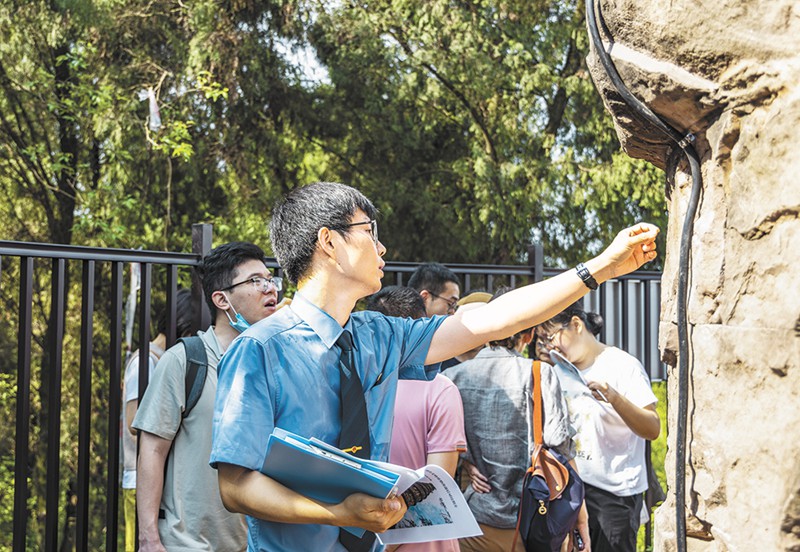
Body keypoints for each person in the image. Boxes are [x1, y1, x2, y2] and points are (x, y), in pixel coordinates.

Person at [210, 181, 659, 552]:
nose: (382, 246)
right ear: (329, 242)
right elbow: (235, 487)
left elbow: (490, 319)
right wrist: (338, 513)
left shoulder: (378, 335)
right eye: (369, 231)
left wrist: (600, 268)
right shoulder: (260, 350)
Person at [133, 242, 280, 552]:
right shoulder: (185, 360)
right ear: (221, 299)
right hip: (190, 545)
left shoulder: (276, 363)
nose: (270, 289)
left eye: (270, 279)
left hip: (259, 543)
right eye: (256, 281)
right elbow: (152, 449)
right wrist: (149, 538)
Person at [444, 287, 581, 552]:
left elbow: (442, 443)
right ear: (529, 334)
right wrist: (579, 514)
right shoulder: (539, 373)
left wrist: (467, 462)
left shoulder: (453, 376)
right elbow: (559, 444)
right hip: (529, 516)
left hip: (472, 516)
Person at [536, 301, 661, 552]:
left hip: (613, 495)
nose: (550, 346)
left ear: (576, 324)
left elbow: (652, 427)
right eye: (543, 341)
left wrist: (614, 397)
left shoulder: (622, 365)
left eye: (551, 337)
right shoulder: (558, 370)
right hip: (569, 490)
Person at [365, 286, 466, 552]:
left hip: (365, 534)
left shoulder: (358, 386)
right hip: (427, 540)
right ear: (419, 328)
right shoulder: (440, 389)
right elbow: (437, 480)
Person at [121, 288, 195, 552]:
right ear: (184, 326)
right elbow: (133, 422)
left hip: (160, 478)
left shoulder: (164, 360)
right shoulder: (145, 361)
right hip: (137, 478)